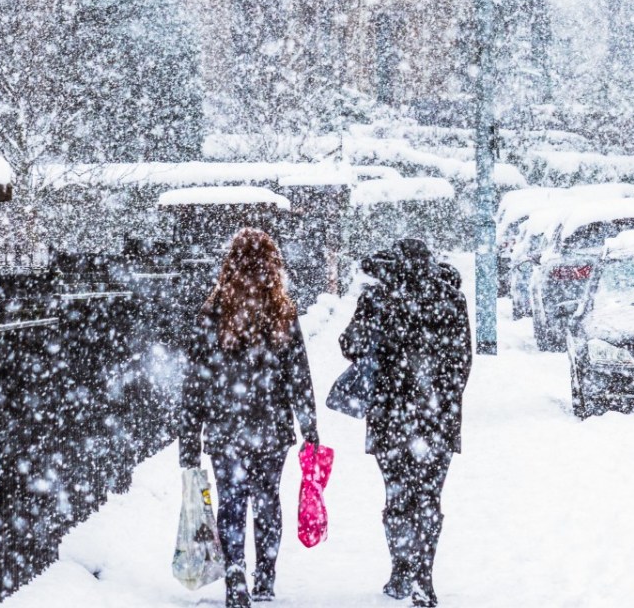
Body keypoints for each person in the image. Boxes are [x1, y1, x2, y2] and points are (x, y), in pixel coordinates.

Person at [178, 228, 320, 608]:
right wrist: (310, 428)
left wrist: (189, 439)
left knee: (231, 502)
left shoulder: (213, 312)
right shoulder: (282, 312)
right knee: (267, 499)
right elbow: (298, 375)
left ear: (230, 264)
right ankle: (266, 578)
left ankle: (236, 573)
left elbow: (196, 381)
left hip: (226, 425)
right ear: (274, 266)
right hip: (271, 426)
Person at [339, 238, 473, 608]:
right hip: (436, 417)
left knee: (397, 494)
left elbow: (350, 346)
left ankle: (401, 569)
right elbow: (462, 363)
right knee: (428, 497)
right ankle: (423, 578)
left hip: (389, 415)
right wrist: (442, 401)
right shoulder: (450, 299)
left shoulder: (378, 299)